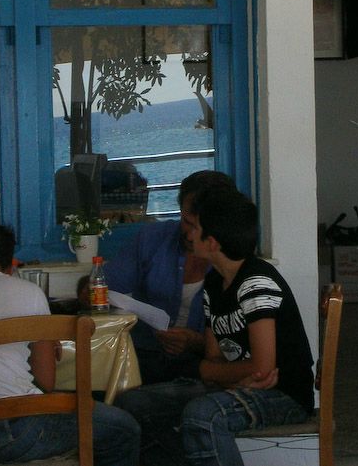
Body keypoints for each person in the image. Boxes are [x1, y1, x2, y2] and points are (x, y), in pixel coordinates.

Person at [116, 186, 315, 466]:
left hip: (282, 395)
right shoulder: (213, 283)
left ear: (212, 242)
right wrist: (227, 376)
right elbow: (212, 359)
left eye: (196, 228)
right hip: (238, 386)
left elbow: (263, 368)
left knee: (203, 416)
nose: (189, 234)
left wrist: (215, 372)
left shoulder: (255, 282)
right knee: (132, 405)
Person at [0, 221, 140, 466]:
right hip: (11, 436)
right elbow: (46, 383)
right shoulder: (28, 293)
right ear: (9, 266)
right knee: (124, 430)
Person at [105, 170, 237, 384]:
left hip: (203, 366)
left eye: (199, 226)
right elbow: (105, 288)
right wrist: (90, 291)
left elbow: (240, 348)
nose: (189, 233)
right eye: (186, 221)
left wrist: (197, 342)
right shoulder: (152, 238)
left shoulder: (232, 261)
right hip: (141, 356)